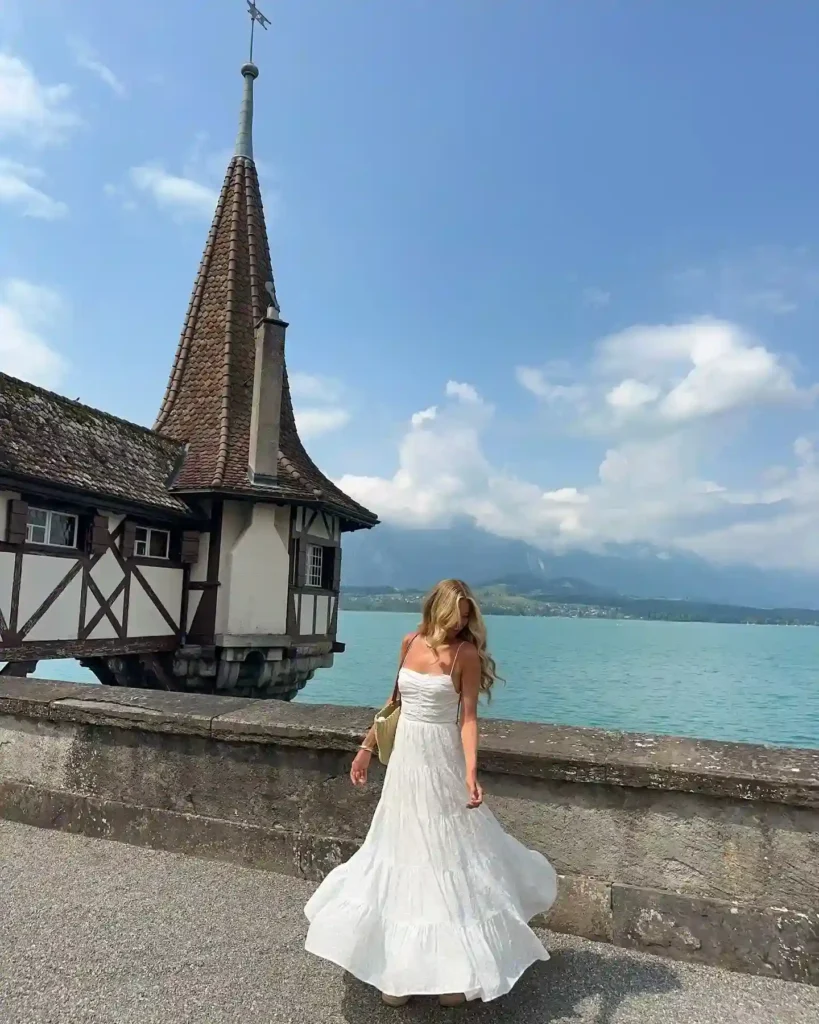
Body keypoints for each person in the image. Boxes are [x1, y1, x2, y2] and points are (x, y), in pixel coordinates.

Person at [304, 578, 558, 1007]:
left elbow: (469, 718)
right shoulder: (410, 642)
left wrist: (471, 771)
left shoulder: (466, 654)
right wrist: (365, 749)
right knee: (402, 851)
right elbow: (394, 704)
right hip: (406, 761)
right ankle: (397, 972)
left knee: (446, 856)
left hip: (442, 761)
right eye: (456, 614)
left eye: (467, 615)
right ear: (437, 608)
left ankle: (454, 973)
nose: (461, 622)